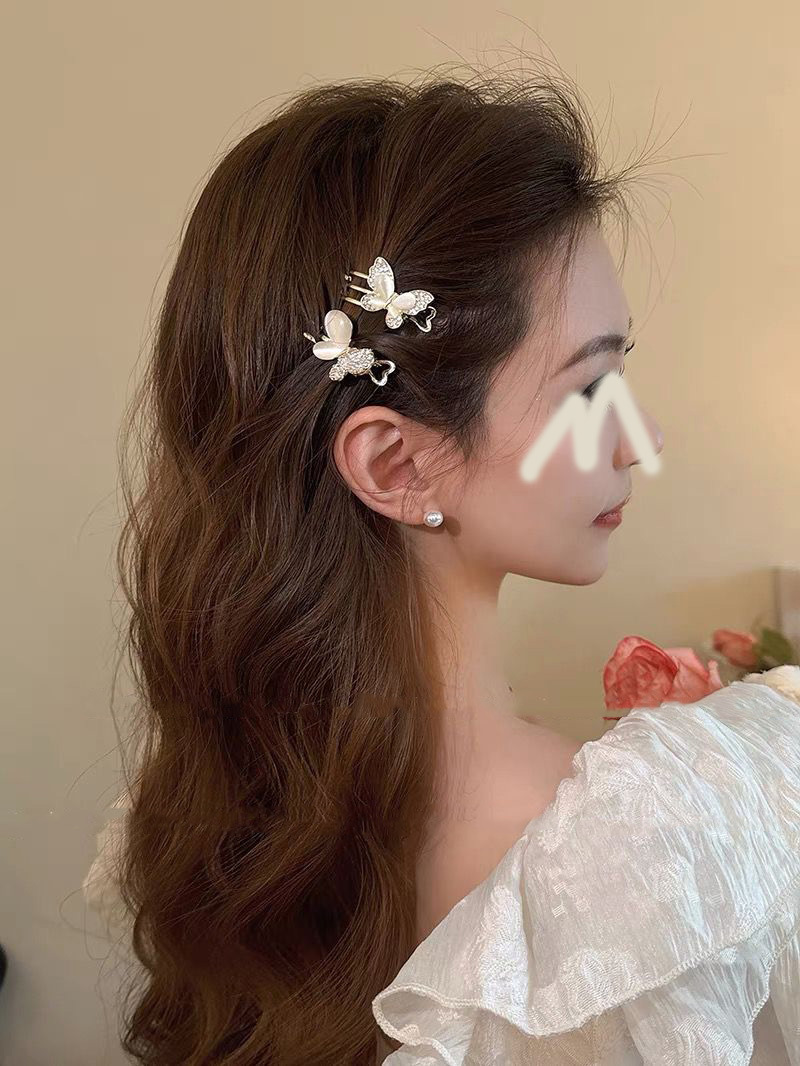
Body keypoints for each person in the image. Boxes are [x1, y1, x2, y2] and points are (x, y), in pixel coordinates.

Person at [85, 64, 800, 1065]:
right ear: (394, 463)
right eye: (588, 385)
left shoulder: (202, 825)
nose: (639, 439)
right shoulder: (651, 846)